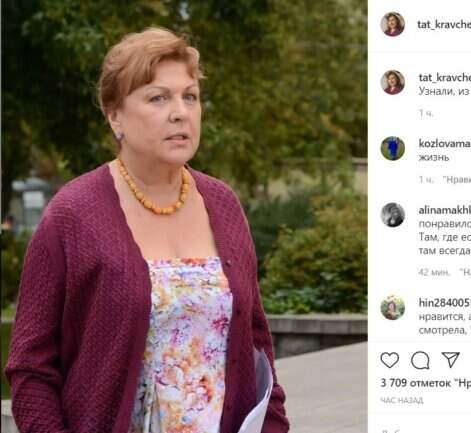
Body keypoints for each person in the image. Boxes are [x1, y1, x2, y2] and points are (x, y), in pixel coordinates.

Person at [5, 27, 289, 433]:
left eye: (190, 96)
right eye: (158, 98)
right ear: (114, 115)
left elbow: (257, 345)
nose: (180, 112)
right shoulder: (72, 216)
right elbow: (31, 368)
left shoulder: (223, 204)